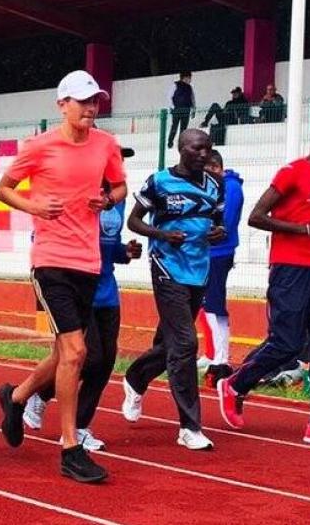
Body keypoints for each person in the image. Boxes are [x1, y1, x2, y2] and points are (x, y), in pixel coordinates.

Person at [0, 70, 126, 483]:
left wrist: (106, 199)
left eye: (95, 101)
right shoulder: (39, 146)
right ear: (62, 105)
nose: (91, 108)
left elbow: (120, 188)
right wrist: (33, 206)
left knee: (65, 352)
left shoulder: (106, 144)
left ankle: (16, 397)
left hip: (88, 262)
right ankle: (70, 447)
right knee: (76, 352)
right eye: (83, 101)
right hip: (50, 260)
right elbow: (3, 189)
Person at [218, 123, 310, 447]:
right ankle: (235, 385)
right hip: (288, 269)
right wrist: (306, 230)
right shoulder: (291, 173)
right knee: (287, 343)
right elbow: (256, 217)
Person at [22, 151, 144, 453]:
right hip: (75, 287)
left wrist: (125, 253)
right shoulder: (68, 193)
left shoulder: (116, 199)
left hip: (106, 289)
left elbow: (109, 246)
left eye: (120, 161)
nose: (117, 166)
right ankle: (40, 394)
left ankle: (79, 426)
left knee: (105, 362)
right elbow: (43, 239)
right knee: (87, 357)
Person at [118, 129, 225, 451]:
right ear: (181, 148)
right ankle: (190, 427)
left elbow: (217, 223)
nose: (203, 154)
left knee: (171, 342)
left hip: (199, 269)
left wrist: (217, 233)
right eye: (197, 148)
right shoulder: (159, 182)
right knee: (186, 343)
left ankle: (136, 377)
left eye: (207, 149)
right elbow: (134, 221)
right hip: (167, 265)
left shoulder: (214, 185)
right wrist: (162, 235)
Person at [196, 150, 244, 387]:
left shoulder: (231, 188)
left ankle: (221, 358)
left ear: (216, 168)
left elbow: (226, 223)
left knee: (214, 305)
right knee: (207, 305)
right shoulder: (218, 186)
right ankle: (214, 353)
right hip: (209, 252)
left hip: (218, 252)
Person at [167, 72, 195, 149]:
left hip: (186, 110)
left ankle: (181, 143)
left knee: (184, 128)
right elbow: (169, 96)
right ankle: (170, 142)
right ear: (184, 78)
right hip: (177, 110)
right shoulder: (175, 85)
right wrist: (173, 107)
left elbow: (192, 98)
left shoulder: (189, 87)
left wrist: (193, 109)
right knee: (174, 127)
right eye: (189, 78)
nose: (190, 80)